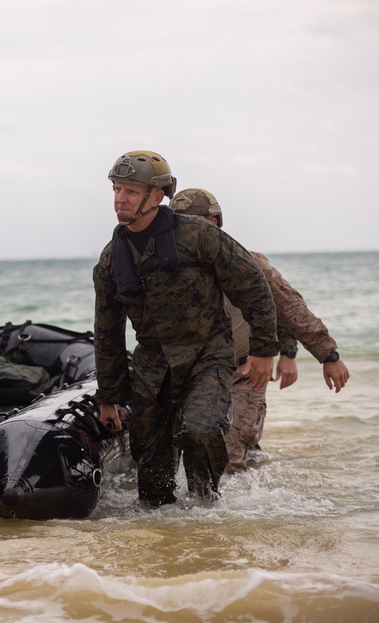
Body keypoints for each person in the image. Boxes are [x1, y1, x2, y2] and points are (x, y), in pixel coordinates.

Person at [93, 151, 278, 506]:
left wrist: (264, 349)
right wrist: (109, 397)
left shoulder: (199, 237)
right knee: (152, 482)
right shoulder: (110, 260)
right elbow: (107, 331)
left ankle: (207, 511)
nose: (120, 198)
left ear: (157, 195)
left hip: (206, 355)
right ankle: (167, 541)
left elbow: (253, 284)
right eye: (117, 189)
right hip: (152, 367)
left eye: (131, 190)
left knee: (201, 432)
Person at [169, 188, 351, 473]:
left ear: (214, 223)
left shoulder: (247, 262)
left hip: (244, 372)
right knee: (189, 448)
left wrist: (326, 355)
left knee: (229, 459)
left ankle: (239, 507)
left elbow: (287, 307)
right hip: (194, 374)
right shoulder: (163, 268)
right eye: (179, 225)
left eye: (194, 224)